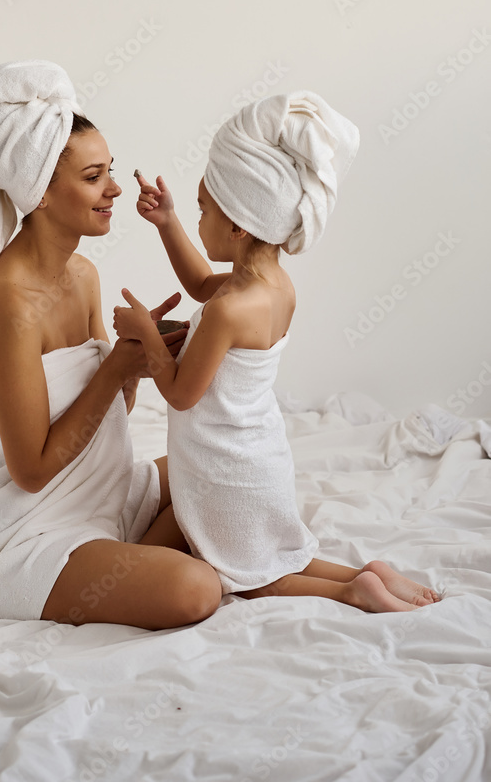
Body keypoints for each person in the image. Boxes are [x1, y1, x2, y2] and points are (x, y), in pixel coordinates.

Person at [113, 92, 441, 613]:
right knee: (272, 555)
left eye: (201, 211)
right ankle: (367, 571)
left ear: (239, 224)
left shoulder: (228, 311)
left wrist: (144, 334)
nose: (197, 221)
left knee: (251, 579)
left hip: (224, 469)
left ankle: (352, 591)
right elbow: (200, 282)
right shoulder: (273, 287)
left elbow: (178, 393)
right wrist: (168, 222)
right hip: (258, 458)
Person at [0, 60, 223, 630]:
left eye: (109, 171)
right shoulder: (5, 305)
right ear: (40, 192)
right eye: (94, 178)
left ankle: (137, 553)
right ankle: (153, 558)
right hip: (25, 529)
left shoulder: (84, 275)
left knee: (224, 469)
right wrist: (115, 367)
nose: (115, 188)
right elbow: (34, 471)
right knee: (196, 592)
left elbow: (111, 416)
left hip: (103, 493)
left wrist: (141, 363)